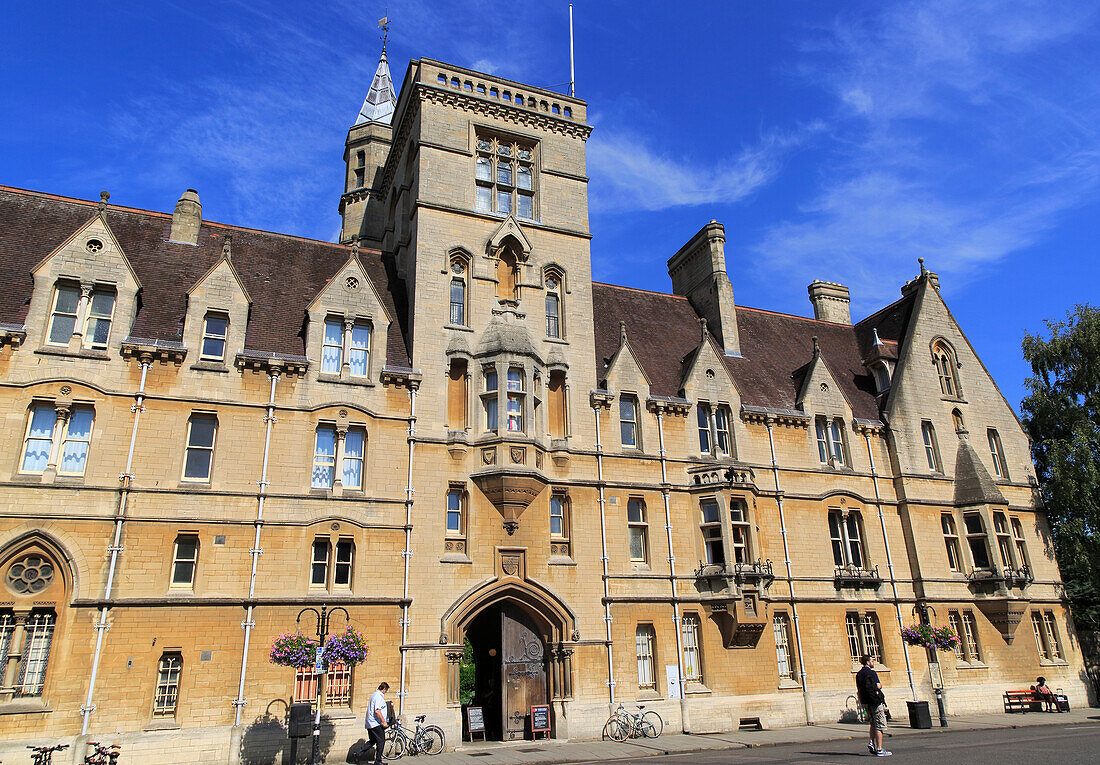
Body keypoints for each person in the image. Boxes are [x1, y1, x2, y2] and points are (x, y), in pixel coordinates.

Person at [855, 654, 891, 757]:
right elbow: (878, 685)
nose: (873, 662)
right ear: (868, 662)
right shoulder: (872, 673)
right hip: (875, 702)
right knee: (879, 725)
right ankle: (879, 749)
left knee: (873, 723)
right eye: (872, 660)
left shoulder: (859, 675)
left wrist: (862, 703)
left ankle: (871, 742)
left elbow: (859, 691)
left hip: (866, 702)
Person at [363, 681, 389, 765]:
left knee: (373, 740)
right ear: (384, 689)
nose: (385, 692)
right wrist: (384, 722)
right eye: (386, 690)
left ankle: (358, 753)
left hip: (370, 722)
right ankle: (378, 761)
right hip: (375, 723)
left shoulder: (374, 695)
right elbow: (377, 711)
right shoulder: (378, 696)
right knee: (381, 741)